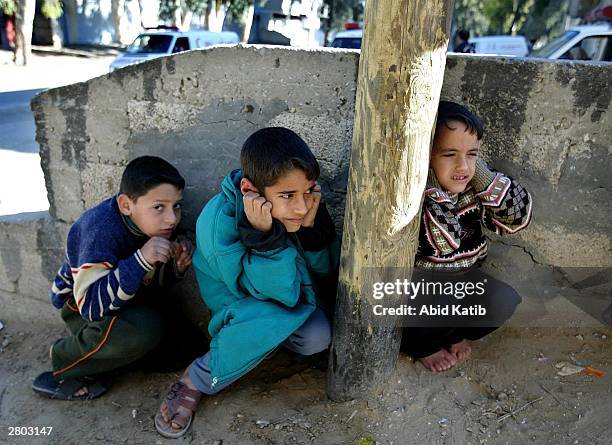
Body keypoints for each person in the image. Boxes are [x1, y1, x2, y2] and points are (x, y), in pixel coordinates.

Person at [155, 127, 339, 438]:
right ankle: (196, 378)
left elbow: (325, 271)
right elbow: (276, 295)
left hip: (293, 296)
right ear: (250, 189)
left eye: (308, 190)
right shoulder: (217, 224)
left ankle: (270, 348)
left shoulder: (301, 212)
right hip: (247, 307)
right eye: (287, 195)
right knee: (274, 319)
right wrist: (264, 238)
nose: (301, 206)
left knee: (317, 335)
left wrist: (312, 231)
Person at [32, 156, 199, 400]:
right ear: (125, 205)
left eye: (176, 206)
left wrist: (175, 267)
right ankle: (64, 360)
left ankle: (110, 362)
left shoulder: (149, 223)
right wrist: (141, 259)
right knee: (145, 330)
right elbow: (90, 307)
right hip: (82, 308)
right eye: (159, 207)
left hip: (125, 299)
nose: (172, 218)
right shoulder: (99, 231)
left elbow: (149, 282)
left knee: (184, 350)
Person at [400, 101, 532, 372]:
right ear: (425, 155)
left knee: (503, 300)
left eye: (472, 154)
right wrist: (433, 183)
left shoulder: (474, 187)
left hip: (462, 279)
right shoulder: (418, 194)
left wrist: (480, 175)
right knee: (443, 299)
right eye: (449, 154)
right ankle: (423, 346)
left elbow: (518, 218)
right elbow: (444, 242)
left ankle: (452, 334)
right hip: (419, 290)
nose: (462, 165)